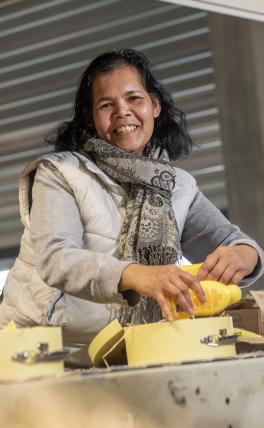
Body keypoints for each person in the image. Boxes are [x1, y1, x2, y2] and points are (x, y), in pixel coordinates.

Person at [0, 49, 263, 349]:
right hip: (36, 349)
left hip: (123, 348)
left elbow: (234, 241)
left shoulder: (177, 186)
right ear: (91, 117)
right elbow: (57, 259)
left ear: (154, 106)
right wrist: (136, 275)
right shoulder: (59, 172)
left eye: (133, 98)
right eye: (106, 104)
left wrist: (244, 255)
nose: (122, 111)